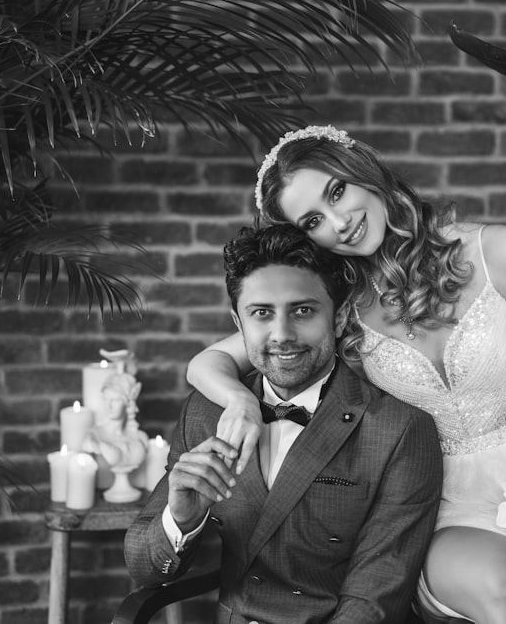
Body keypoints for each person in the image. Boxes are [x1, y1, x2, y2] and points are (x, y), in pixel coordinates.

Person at [185, 126, 506, 623]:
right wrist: (241, 402)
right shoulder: (337, 311)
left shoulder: (501, 252)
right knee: (501, 582)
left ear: (363, 171)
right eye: (313, 221)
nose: (339, 221)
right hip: (440, 510)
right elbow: (207, 363)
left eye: (336, 191)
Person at [125, 224, 443, 623]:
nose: (282, 335)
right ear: (239, 324)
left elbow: (374, 597)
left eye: (303, 311)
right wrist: (181, 520)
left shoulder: (401, 430)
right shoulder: (205, 413)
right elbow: (144, 566)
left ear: (340, 316)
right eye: (261, 313)